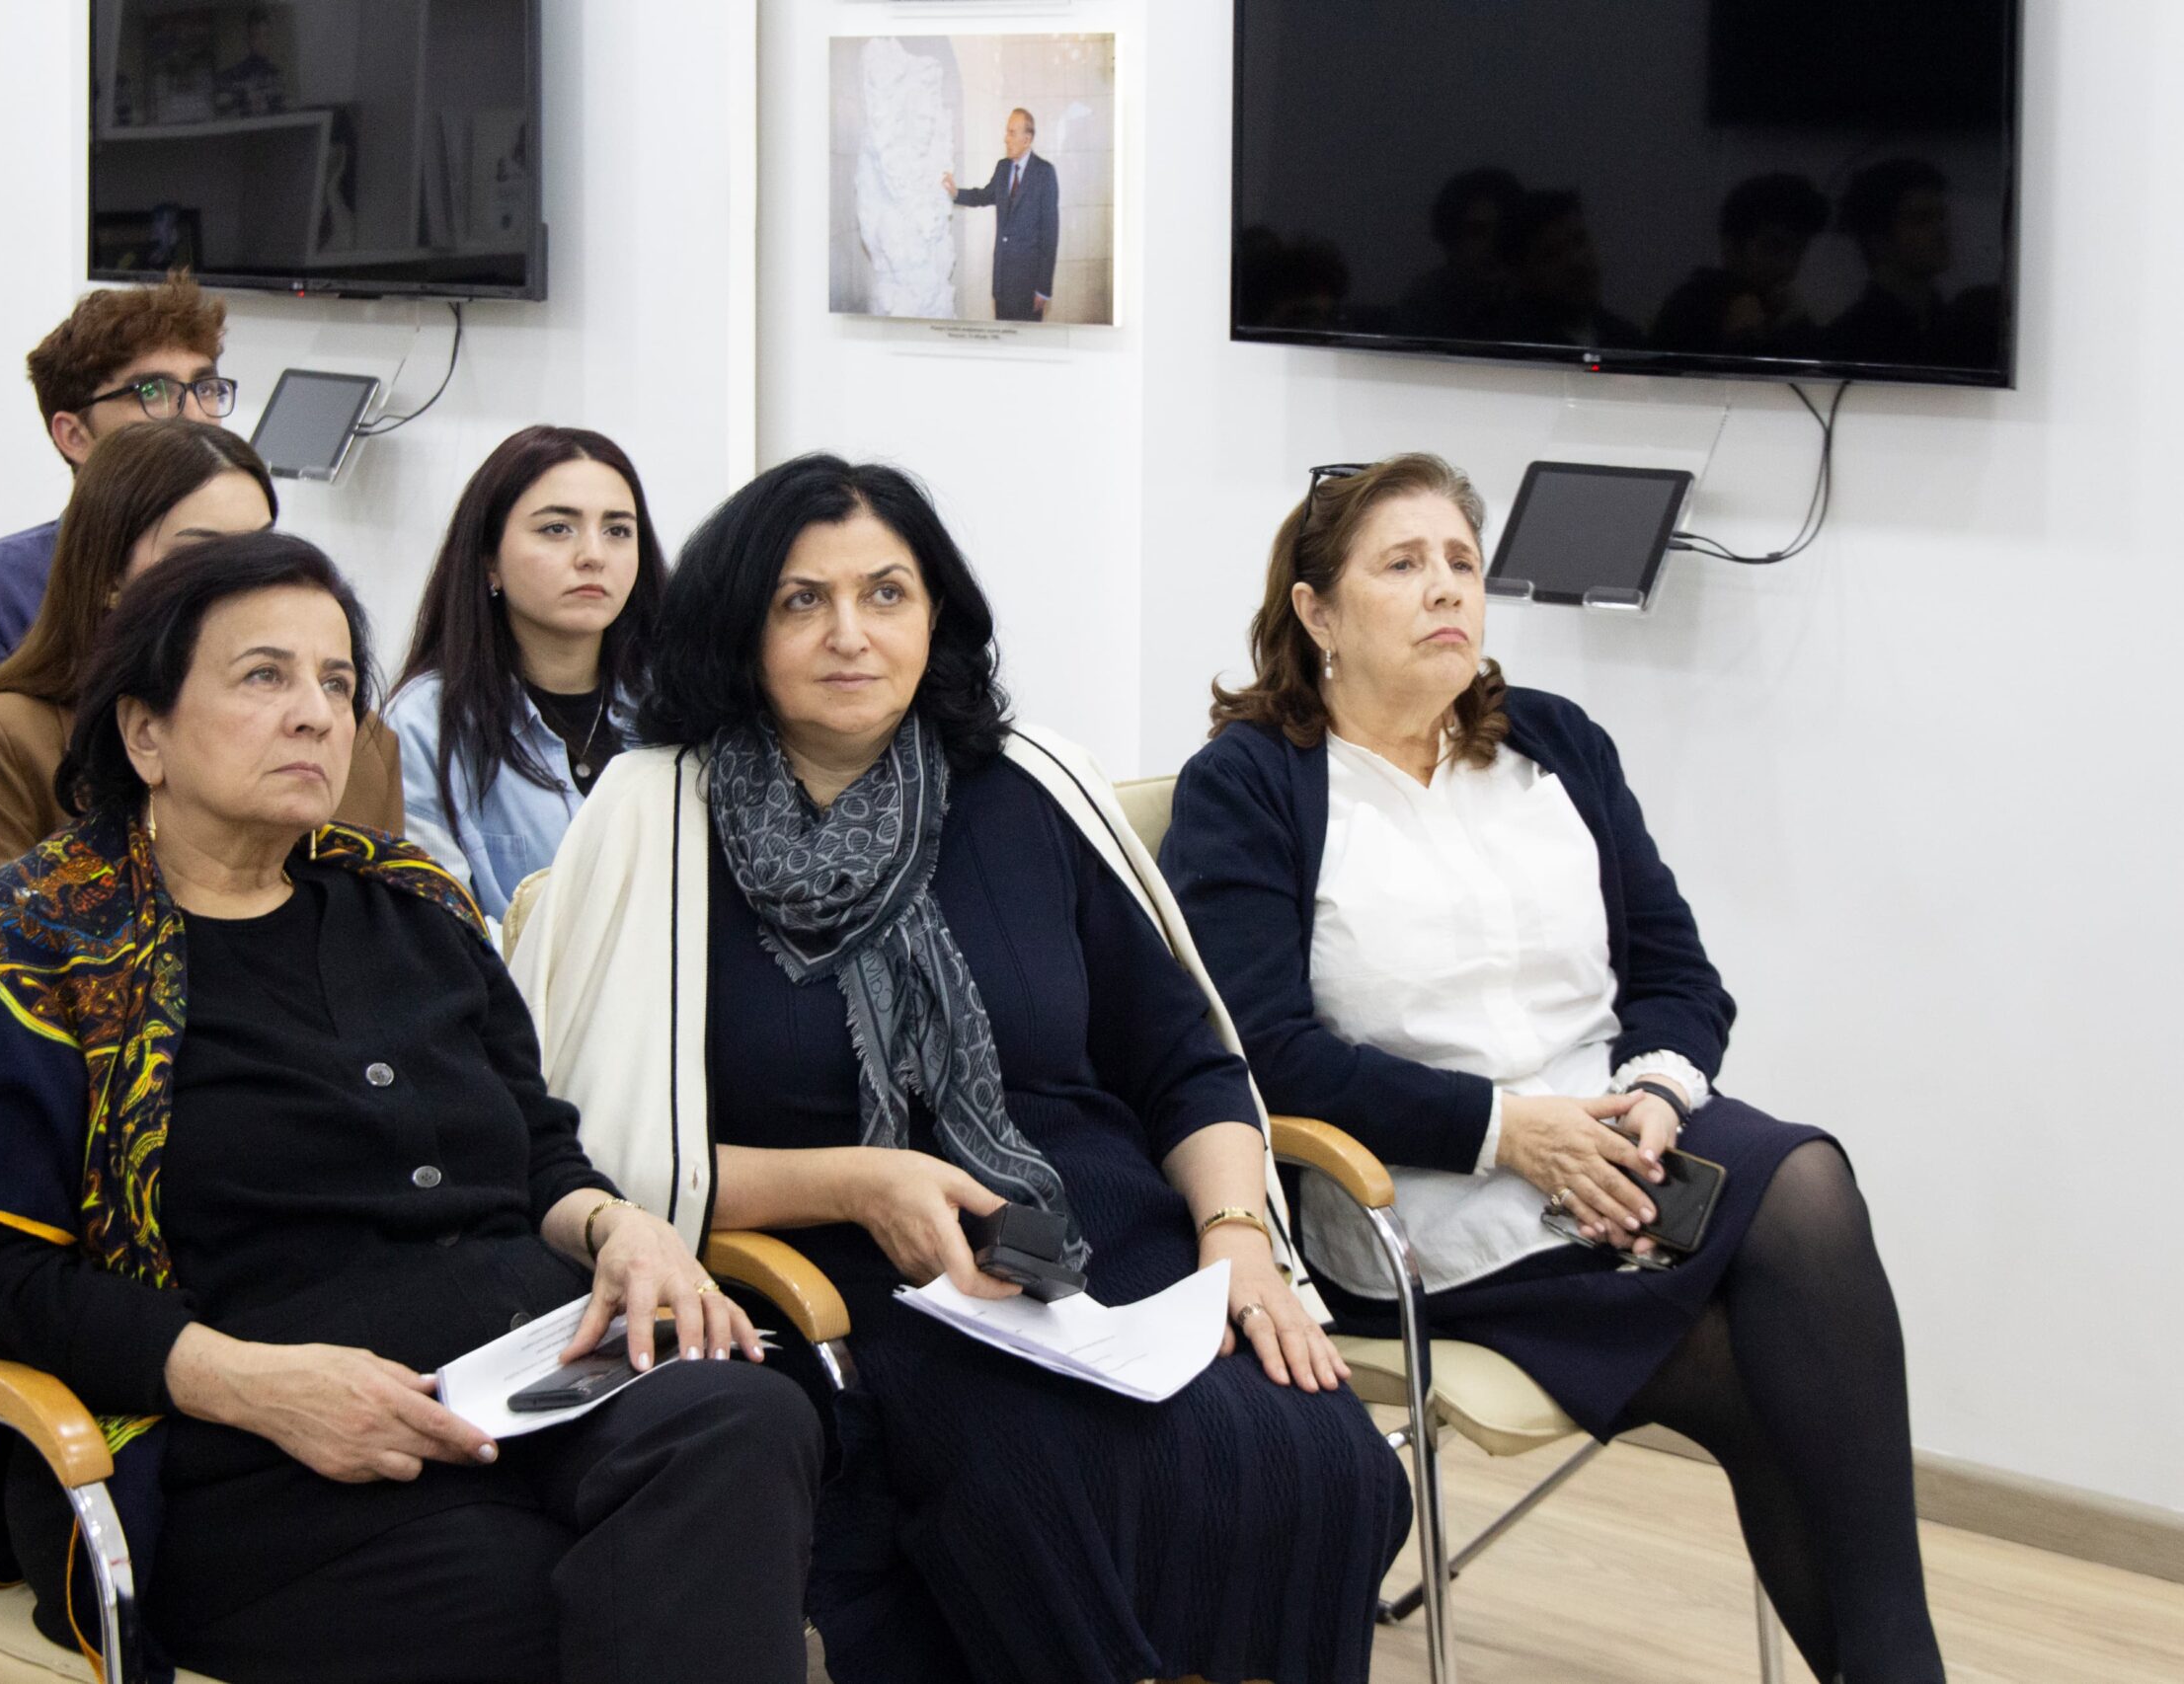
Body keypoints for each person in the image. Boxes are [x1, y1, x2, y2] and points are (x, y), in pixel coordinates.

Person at [0, 533, 821, 1683]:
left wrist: (620, 1226)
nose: (315, 713)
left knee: (751, 1419)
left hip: (531, 1376)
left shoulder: (409, 903)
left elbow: (538, 1152)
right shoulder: (29, 948)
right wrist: (248, 1382)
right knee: (584, 1594)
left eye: (338, 681)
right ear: (145, 731)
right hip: (254, 1448)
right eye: (264, 675)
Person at [509, 454, 1409, 1684]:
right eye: (801, 600)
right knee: (1038, 1488)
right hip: (831, 1268)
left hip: (1095, 1230)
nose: (850, 633)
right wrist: (856, 1180)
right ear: (737, 626)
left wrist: (1237, 1236)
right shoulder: (653, 812)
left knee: (1325, 1463)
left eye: (886, 593)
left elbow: (1186, 1062)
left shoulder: (1028, 784)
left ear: (936, 614)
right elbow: (599, 1143)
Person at [1163, 453, 1945, 1684]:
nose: (1445, 590)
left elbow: (1678, 976)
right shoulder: (1252, 784)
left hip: (1621, 1138)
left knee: (1805, 1187)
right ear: (1316, 612)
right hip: (1418, 1192)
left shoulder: (1553, 743)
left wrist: (1657, 1095)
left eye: (1461, 562)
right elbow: (1263, 1052)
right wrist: (1505, 1129)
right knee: (1756, 1363)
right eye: (1402, 564)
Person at [0, 419, 403, 908]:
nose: (246, 582)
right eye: (201, 554)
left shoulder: (361, 745)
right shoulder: (9, 735)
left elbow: (395, 933)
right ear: (108, 577)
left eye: (259, 548)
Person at [387, 424, 666, 912]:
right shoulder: (425, 722)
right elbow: (434, 927)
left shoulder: (671, 703)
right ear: (489, 560)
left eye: (618, 531)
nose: (593, 556)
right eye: (557, 528)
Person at [0, 273, 232, 701]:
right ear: (74, 436)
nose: (196, 414)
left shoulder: (261, 567)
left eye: (206, 387)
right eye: (154, 391)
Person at [1651, 173, 1833, 360]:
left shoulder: (1784, 313)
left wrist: (1793, 326)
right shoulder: (1688, 310)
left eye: (1798, 252)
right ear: (1732, 247)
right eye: (1774, 248)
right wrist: (1736, 340)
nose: (1789, 267)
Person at [1824, 158, 1953, 367]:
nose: (1942, 231)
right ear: (1878, 239)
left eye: (1942, 217)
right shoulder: (1848, 341)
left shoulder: (1959, 328)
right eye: (1921, 219)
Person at [941, 108, 1060, 322]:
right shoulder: (1003, 167)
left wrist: (1043, 289)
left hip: (1028, 285)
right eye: (1007, 132)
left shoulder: (1044, 173)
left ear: (1027, 139)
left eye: (1012, 133)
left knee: (1027, 340)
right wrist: (956, 193)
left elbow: (1049, 235)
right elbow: (984, 195)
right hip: (1002, 283)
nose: (1006, 139)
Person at [1498, 190, 1643, 350]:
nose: (1576, 262)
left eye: (1579, 241)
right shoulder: (1507, 346)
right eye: (1552, 254)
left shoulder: (1628, 340)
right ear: (1521, 274)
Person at [1394, 166, 1524, 340]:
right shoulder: (1426, 300)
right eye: (1477, 232)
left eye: (1502, 231)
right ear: (1451, 236)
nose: (1491, 244)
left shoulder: (1536, 295)